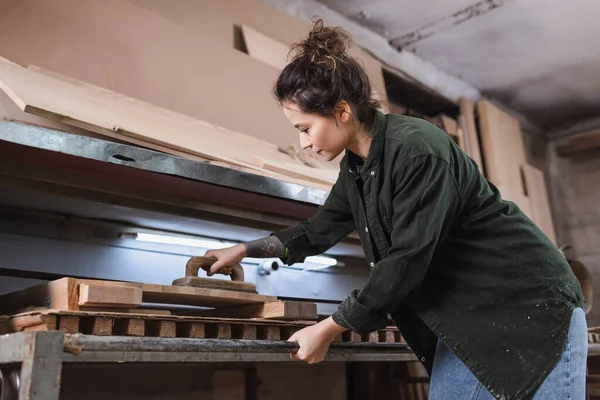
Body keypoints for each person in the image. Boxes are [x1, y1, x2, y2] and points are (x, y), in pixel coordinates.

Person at [204, 19, 587, 400]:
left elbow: (407, 259)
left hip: (531, 306)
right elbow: (318, 231)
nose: (302, 142)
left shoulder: (419, 150)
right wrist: (243, 250)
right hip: (469, 319)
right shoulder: (355, 170)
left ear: (341, 111)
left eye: (305, 128)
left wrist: (330, 328)